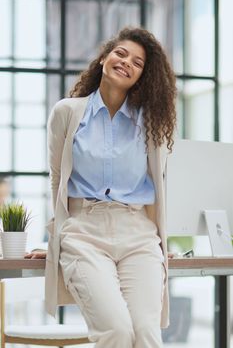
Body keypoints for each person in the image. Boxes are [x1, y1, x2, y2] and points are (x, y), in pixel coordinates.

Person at [31, 27, 177, 348]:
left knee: (146, 334)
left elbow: (162, 187)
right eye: (120, 54)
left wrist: (165, 238)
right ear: (103, 59)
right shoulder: (67, 112)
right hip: (85, 232)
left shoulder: (151, 122)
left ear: (143, 76)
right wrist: (57, 236)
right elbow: (58, 179)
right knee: (116, 331)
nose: (126, 63)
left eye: (137, 63)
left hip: (138, 233)